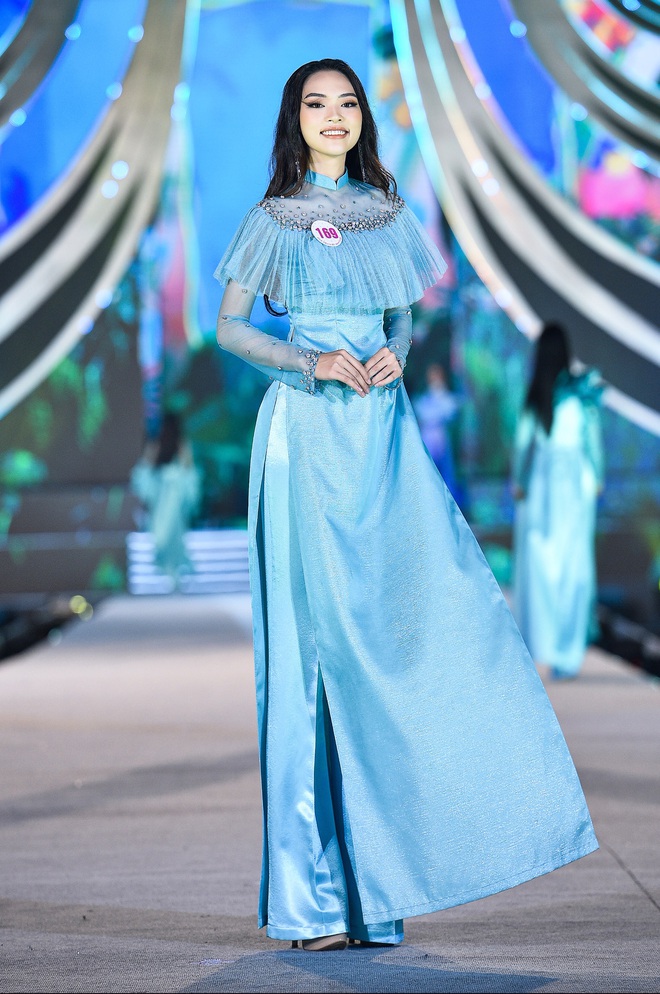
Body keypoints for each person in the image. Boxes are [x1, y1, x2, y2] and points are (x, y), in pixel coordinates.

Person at [214, 59, 598, 953]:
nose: (334, 116)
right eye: (317, 104)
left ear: (362, 118)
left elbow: (402, 317)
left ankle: (378, 892)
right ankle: (312, 902)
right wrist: (308, 361)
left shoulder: (387, 213)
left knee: (393, 642)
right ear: (295, 119)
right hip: (305, 435)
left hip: (380, 439)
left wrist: (394, 347)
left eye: (347, 103)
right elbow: (230, 328)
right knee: (309, 661)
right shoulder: (272, 218)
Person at [512, 322, 604, 680]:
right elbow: (591, 440)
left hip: (542, 481)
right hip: (574, 481)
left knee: (540, 564)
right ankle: (567, 651)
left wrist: (519, 481)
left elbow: (523, 443)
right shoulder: (580, 393)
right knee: (573, 565)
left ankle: (545, 646)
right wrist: (597, 477)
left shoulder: (537, 393)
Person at [130, 410, 200, 589]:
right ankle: (169, 572)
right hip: (159, 513)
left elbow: (191, 487)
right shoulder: (155, 452)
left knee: (171, 540)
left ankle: (174, 572)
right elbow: (142, 485)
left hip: (175, 512)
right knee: (161, 540)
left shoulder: (182, 453)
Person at [412, 362, 460, 501]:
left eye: (436, 374)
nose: (433, 377)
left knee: (446, 474)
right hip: (427, 439)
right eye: (431, 375)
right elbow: (422, 414)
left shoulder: (448, 398)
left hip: (441, 439)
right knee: (428, 472)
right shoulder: (423, 399)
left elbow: (449, 411)